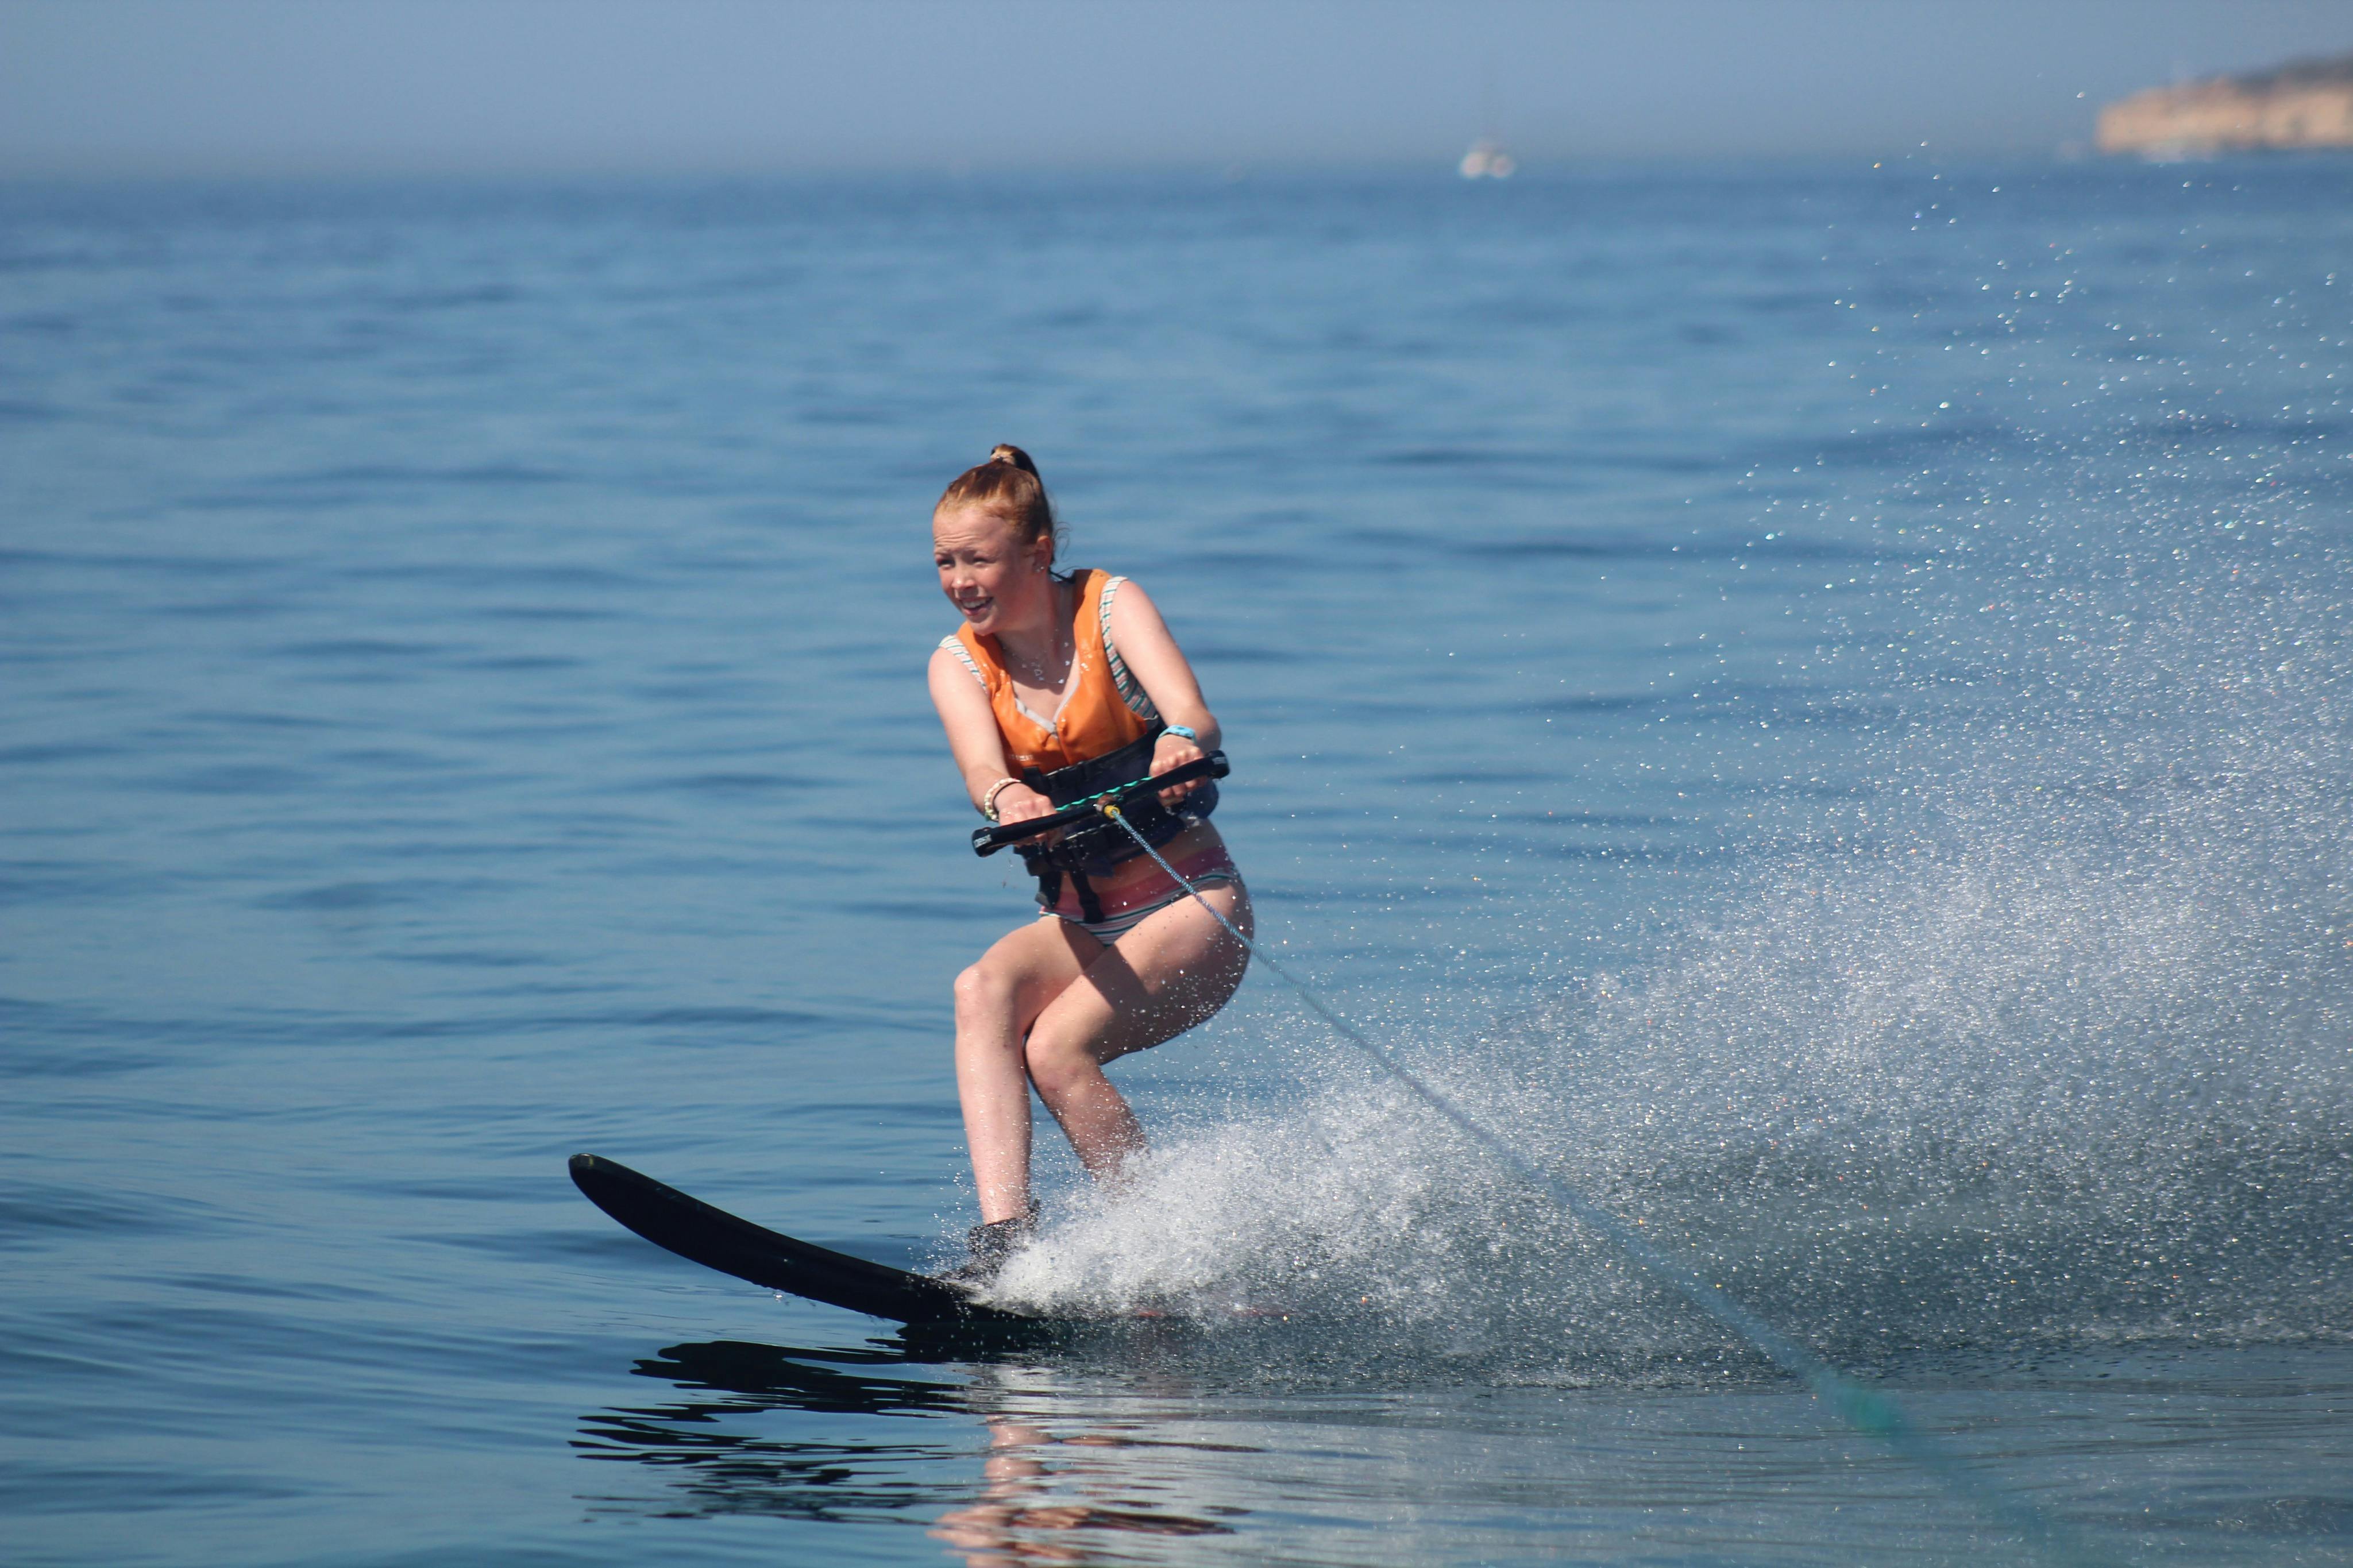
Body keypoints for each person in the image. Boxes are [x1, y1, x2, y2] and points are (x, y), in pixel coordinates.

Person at [928, 445, 1251, 1283]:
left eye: (979, 559)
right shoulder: (958, 662)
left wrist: (1181, 740)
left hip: (1192, 906)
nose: (961, 580)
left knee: (1057, 1047)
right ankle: (1006, 1240)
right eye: (944, 562)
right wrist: (1006, 796)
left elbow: (1194, 717)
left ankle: (1162, 1256)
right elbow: (982, 772)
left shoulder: (1112, 606)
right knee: (981, 988)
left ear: (1036, 553)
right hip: (1083, 923)